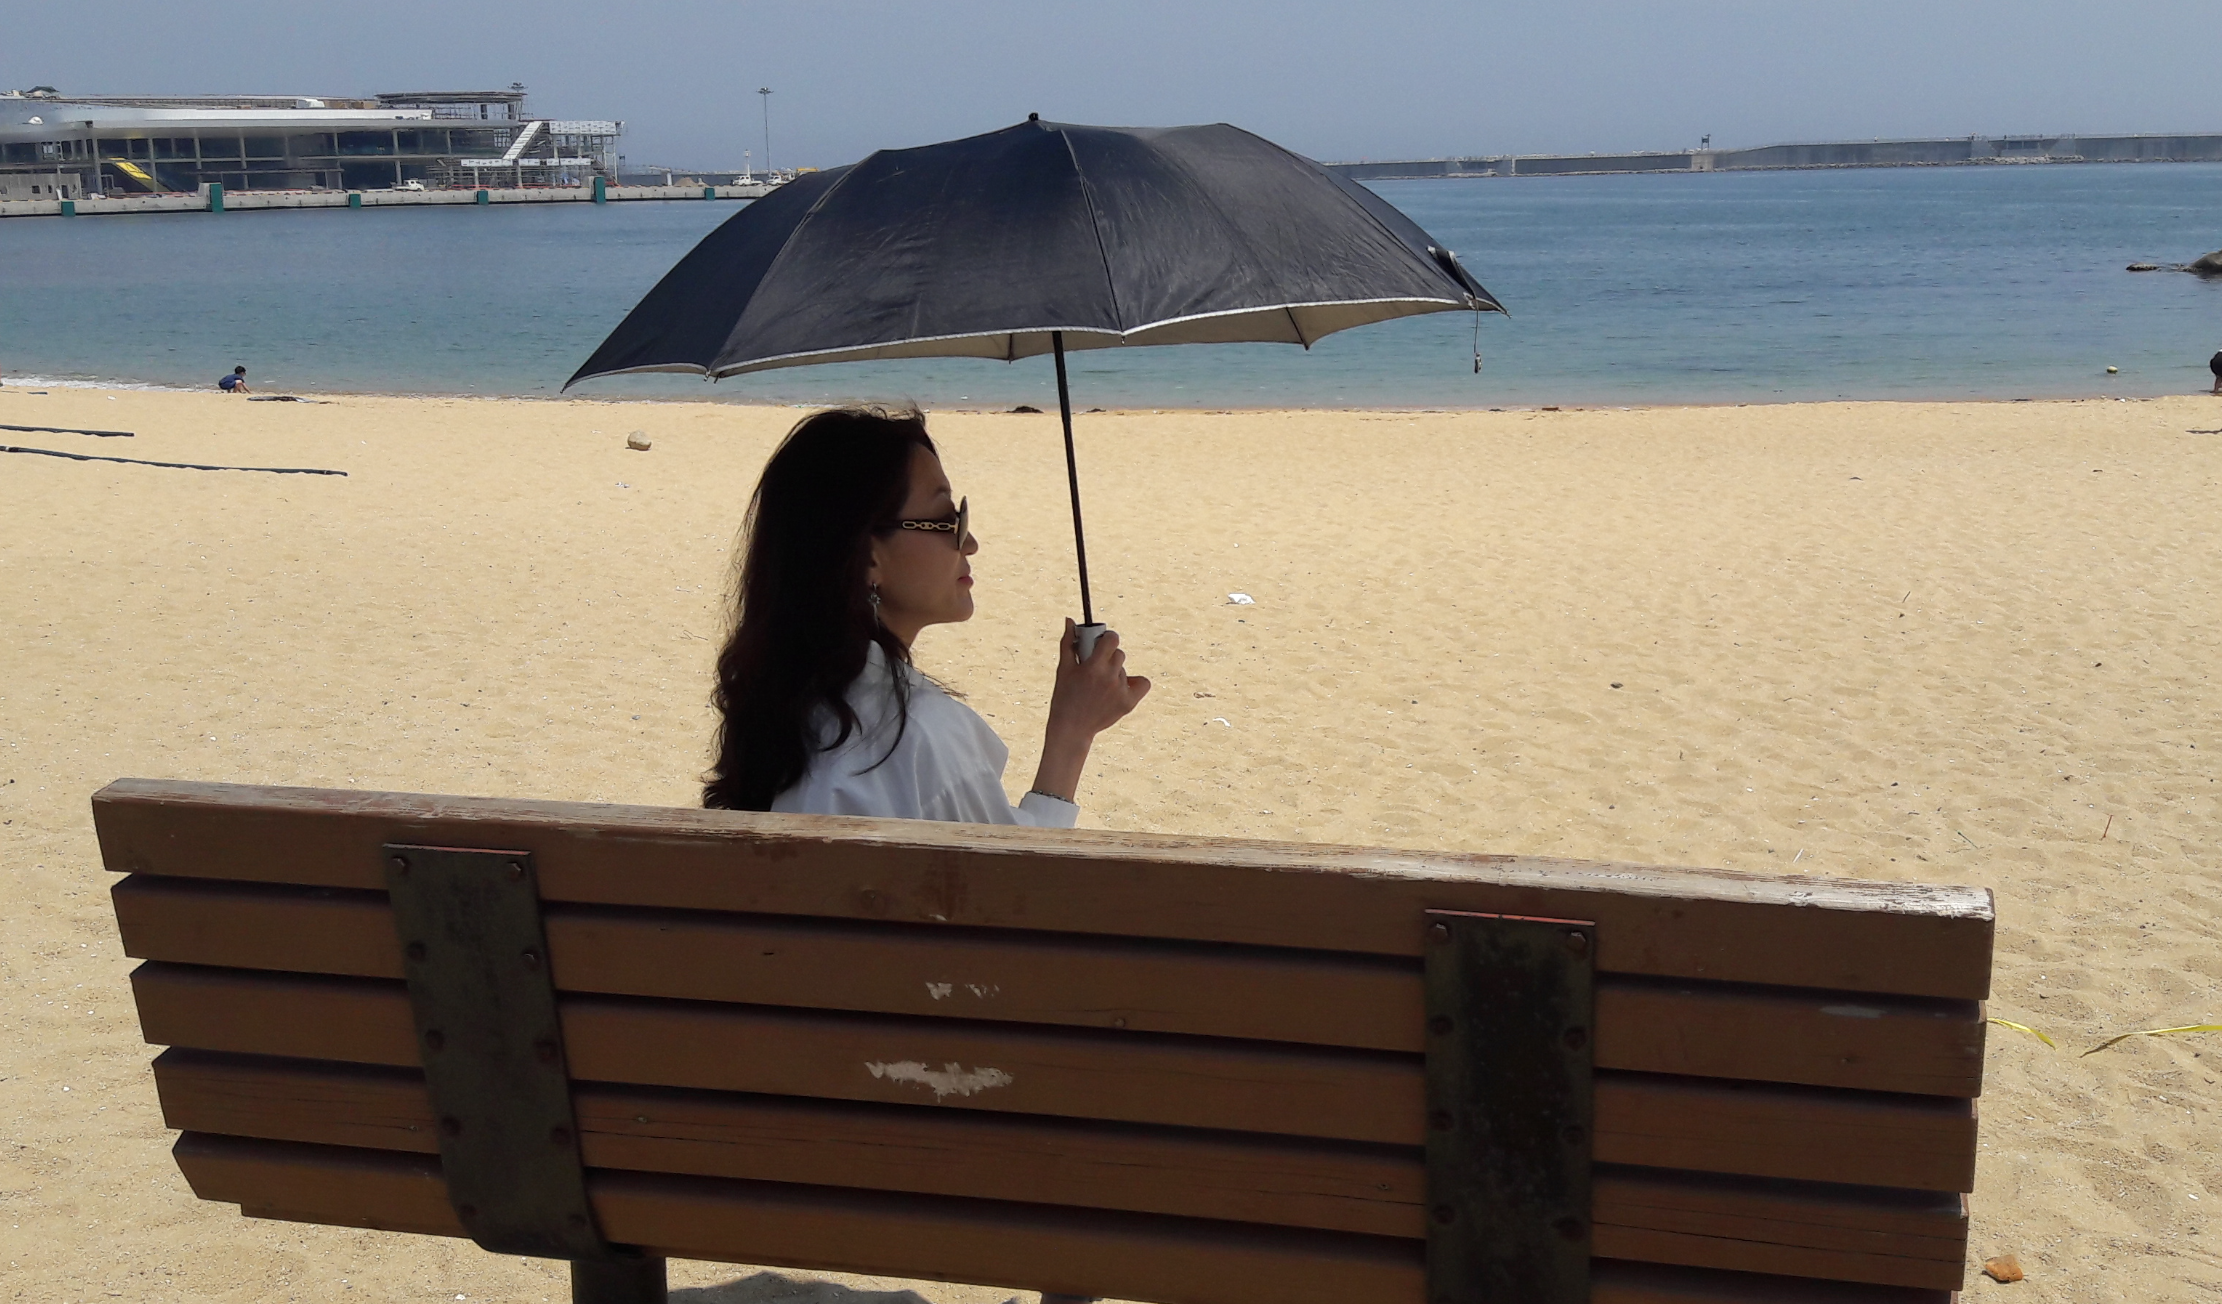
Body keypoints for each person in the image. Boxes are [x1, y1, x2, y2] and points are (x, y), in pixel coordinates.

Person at [704, 406, 1150, 824]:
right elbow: (1022, 874)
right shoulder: (918, 738)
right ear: (868, 558)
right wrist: (1072, 734)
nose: (969, 542)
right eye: (947, 519)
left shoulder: (792, 713)